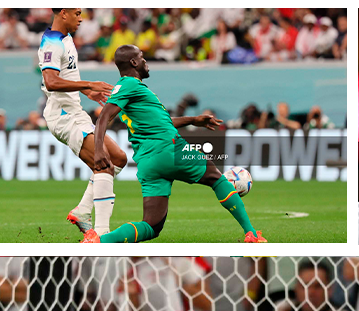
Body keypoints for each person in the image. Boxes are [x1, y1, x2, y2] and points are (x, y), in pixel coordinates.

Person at [85, 45, 266, 243]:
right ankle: (252, 234)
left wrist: (192, 120)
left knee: (152, 226)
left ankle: (100, 242)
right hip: (169, 149)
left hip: (148, 162)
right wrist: (99, 150)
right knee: (216, 178)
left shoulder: (130, 91)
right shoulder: (129, 85)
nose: (146, 61)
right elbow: (104, 117)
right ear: (134, 63)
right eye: (142, 57)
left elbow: (161, 122)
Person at [37, 9, 125, 239]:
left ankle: (83, 211)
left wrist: (85, 90)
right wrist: (89, 83)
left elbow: (65, 76)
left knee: (118, 159)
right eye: (76, 13)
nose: (81, 18)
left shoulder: (66, 39)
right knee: (103, 163)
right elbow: (51, 81)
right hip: (63, 115)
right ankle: (102, 235)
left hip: (74, 110)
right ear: (63, 13)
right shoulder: (52, 43)